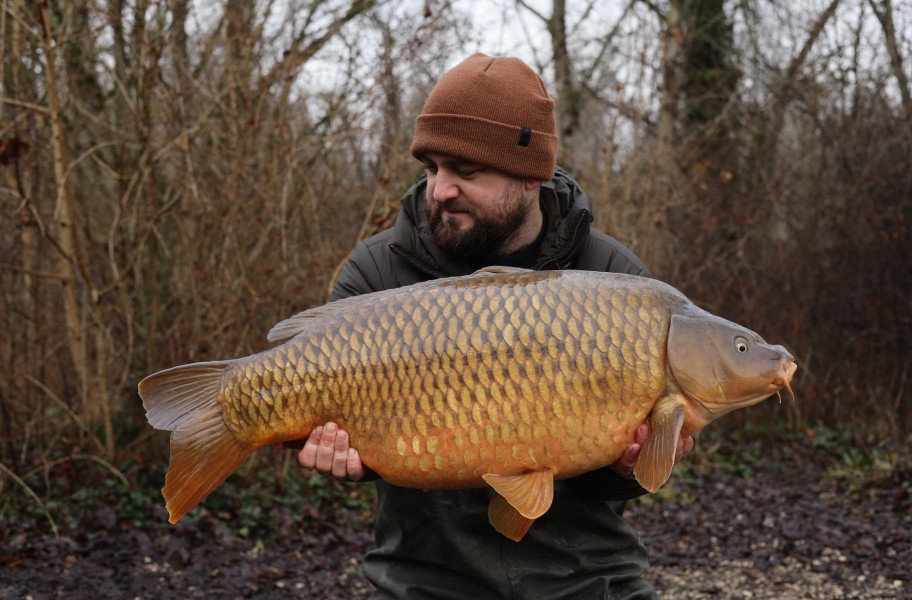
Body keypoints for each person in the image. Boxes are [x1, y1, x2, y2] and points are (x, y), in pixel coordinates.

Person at [285, 53, 694, 599]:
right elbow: (367, 444)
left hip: (587, 578)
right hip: (423, 580)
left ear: (530, 176)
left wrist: (628, 466)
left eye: (466, 172)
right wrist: (345, 456)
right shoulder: (378, 272)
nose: (439, 190)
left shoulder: (615, 281)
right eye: (432, 169)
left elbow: (614, 481)